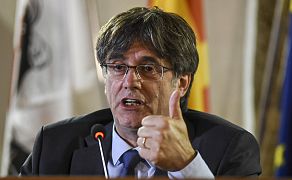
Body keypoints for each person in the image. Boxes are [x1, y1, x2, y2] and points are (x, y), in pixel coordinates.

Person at [20, 7, 261, 178]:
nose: (129, 82)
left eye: (147, 68)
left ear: (182, 82)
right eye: (117, 67)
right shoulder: (55, 146)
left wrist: (187, 167)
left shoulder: (230, 148)